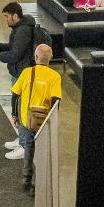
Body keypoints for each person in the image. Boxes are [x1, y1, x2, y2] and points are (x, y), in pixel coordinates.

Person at [12, 43, 61, 193]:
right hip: (44, 123)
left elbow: (15, 95)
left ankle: (26, 178)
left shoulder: (27, 72)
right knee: (41, 153)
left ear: (36, 57)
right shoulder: (55, 76)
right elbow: (56, 102)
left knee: (28, 149)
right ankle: (36, 185)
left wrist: (15, 114)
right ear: (50, 58)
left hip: (27, 121)